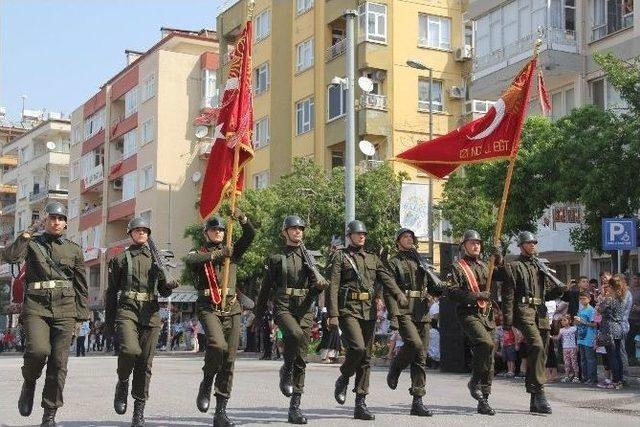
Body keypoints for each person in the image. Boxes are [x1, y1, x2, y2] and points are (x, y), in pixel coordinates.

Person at [4, 202, 89, 427]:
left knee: (59, 363)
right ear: (46, 221)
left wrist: (81, 317)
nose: (56, 222)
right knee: (38, 351)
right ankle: (29, 381)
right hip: (36, 306)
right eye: (52, 218)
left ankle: (49, 415)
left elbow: (81, 285)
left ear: (65, 223)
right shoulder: (32, 243)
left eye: (60, 219)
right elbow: (11, 257)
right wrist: (29, 231)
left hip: (65, 308)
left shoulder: (74, 249)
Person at [327, 220, 408, 420]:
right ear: (349, 236)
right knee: (358, 349)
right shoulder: (341, 257)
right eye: (357, 233)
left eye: (364, 233)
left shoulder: (373, 258)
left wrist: (398, 294)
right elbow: (333, 287)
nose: (361, 236)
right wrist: (333, 314)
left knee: (365, 359)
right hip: (348, 311)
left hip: (369, 312)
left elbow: (387, 278)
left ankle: (360, 403)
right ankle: (344, 377)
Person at [255, 215, 329, 424]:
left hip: (304, 308)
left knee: (301, 358)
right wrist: (258, 315)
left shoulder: (310, 258)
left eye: (300, 229)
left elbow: (317, 285)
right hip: (284, 306)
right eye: (294, 228)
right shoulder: (277, 258)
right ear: (285, 232)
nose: (298, 231)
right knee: (294, 334)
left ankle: (294, 408)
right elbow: (265, 289)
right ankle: (285, 368)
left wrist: (320, 285)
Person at [186, 209, 255, 427]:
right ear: (206, 233)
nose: (218, 232)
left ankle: (221, 412)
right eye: (214, 229)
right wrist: (218, 254)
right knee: (216, 344)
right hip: (209, 307)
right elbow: (191, 260)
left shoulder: (232, 252)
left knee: (230, 359)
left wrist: (242, 219)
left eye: (221, 230)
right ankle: (207, 382)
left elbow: (250, 235)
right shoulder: (200, 252)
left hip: (232, 308)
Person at [105, 217, 174, 427]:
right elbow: (111, 292)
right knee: (130, 350)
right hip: (127, 310)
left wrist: (169, 283)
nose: (142, 233)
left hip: (151, 312)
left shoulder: (157, 258)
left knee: (145, 363)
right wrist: (109, 322)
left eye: (145, 230)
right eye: (138, 230)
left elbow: (163, 289)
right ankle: (123, 381)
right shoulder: (120, 259)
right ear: (130, 233)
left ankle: (138, 411)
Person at [384, 227, 445, 416]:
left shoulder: (421, 261)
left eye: (411, 237)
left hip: (422, 311)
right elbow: (389, 291)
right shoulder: (393, 263)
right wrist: (394, 317)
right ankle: (396, 366)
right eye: (405, 237)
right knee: (414, 343)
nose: (409, 239)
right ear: (398, 241)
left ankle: (417, 400)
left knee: (421, 357)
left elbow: (434, 287)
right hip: (404, 311)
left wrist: (436, 291)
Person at [502, 231, 565, 414]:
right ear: (521, 245)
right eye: (529, 243)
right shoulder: (513, 266)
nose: (533, 246)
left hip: (541, 312)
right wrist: (508, 321)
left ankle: (534, 399)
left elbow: (546, 294)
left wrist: (559, 291)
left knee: (541, 354)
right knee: (536, 346)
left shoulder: (540, 265)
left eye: (534, 243)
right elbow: (508, 295)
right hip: (524, 312)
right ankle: (540, 392)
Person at [446, 229, 501, 416]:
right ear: (464, 246)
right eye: (472, 243)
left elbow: (503, 275)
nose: (476, 245)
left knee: (489, 357)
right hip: (469, 313)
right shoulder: (458, 267)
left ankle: (484, 399)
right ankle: (474, 381)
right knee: (485, 343)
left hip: (487, 314)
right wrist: (476, 295)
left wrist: (498, 255)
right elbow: (452, 293)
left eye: (478, 243)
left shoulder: (487, 265)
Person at [597, 274, 627, 390]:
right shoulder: (621, 297)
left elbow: (600, 310)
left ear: (611, 286)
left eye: (608, 286)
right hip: (618, 328)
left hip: (610, 329)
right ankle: (619, 380)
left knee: (612, 356)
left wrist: (603, 297)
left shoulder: (610, 299)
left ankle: (615, 381)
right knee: (618, 355)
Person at [575, 291, 597, 384]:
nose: (582, 300)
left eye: (584, 298)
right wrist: (576, 322)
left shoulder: (591, 310)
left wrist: (583, 322)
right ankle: (585, 377)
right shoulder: (581, 310)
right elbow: (578, 324)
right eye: (580, 299)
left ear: (589, 299)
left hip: (589, 338)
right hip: (581, 338)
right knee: (583, 359)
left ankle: (592, 378)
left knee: (590, 359)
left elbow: (595, 324)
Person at [556, 315, 579, 383]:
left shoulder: (574, 328)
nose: (562, 322)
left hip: (573, 347)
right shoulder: (561, 330)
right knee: (566, 363)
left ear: (569, 321)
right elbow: (558, 338)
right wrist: (550, 336)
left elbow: (577, 337)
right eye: (562, 320)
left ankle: (576, 377)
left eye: (564, 320)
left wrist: (577, 345)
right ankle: (567, 376)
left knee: (574, 362)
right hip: (565, 348)